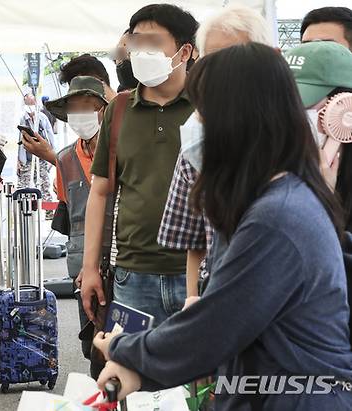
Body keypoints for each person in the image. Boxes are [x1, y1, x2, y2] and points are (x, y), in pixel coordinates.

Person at [94, 42, 352, 410]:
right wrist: (140, 368)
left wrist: (122, 348)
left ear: (235, 120)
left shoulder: (278, 216)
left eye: (206, 112)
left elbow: (213, 329)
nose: (198, 125)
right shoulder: (280, 199)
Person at [80, 4, 197, 325]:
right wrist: (90, 268)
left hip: (199, 274)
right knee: (132, 372)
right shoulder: (119, 109)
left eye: (154, 43)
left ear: (184, 51)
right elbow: (100, 192)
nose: (142, 51)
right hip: (133, 275)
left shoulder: (208, 105)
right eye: (136, 42)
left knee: (199, 374)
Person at [157, 4, 273, 304]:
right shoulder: (196, 138)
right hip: (218, 295)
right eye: (213, 57)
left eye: (235, 53)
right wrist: (193, 297)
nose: (224, 68)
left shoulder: (291, 133)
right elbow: (194, 240)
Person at [43, 76, 108, 362]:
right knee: (92, 342)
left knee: (122, 335)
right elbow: (67, 203)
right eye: (74, 109)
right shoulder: (65, 158)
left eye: (87, 107)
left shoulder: (121, 152)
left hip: (120, 255)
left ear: (102, 110)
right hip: (81, 261)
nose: (80, 116)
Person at [17, 93, 55, 209]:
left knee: (44, 186)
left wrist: (51, 155)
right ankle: (22, 210)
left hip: (42, 157)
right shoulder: (22, 119)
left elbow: (50, 137)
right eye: (28, 103)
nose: (30, 106)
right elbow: (18, 140)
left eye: (32, 103)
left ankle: (48, 211)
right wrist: (18, 160)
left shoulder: (42, 118)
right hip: (26, 159)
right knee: (23, 186)